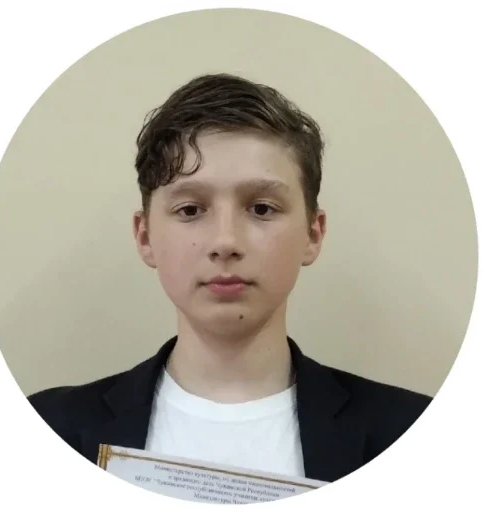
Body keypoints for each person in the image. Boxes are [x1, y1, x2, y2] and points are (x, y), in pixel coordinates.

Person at [28, 73, 432, 483]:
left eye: (261, 209)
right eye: (190, 210)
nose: (225, 242)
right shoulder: (49, 426)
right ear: (145, 236)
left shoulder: (410, 428)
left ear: (313, 234)